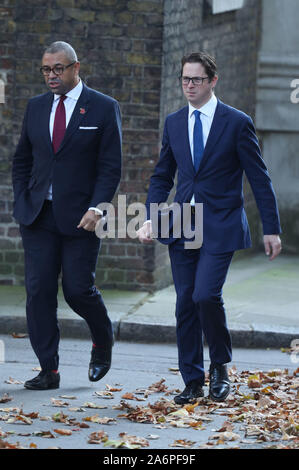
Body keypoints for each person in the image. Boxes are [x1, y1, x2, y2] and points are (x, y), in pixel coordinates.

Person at [137, 52, 282, 404]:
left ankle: (219, 364)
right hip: (182, 224)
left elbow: (258, 177)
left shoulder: (236, 122)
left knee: (205, 295)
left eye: (196, 80)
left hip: (220, 223)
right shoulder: (174, 122)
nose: (189, 86)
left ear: (212, 81)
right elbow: (162, 176)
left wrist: (271, 228)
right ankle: (192, 380)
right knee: (185, 302)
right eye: (185, 79)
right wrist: (152, 216)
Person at [12, 41, 122, 390]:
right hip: (38, 217)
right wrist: (22, 199)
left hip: (82, 218)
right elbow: (22, 160)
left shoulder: (104, 108)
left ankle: (102, 339)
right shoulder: (36, 107)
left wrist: (96, 208)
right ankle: (49, 369)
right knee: (39, 291)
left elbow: (110, 167)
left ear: (76, 67)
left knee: (77, 290)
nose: (51, 76)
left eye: (58, 68)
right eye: (46, 69)